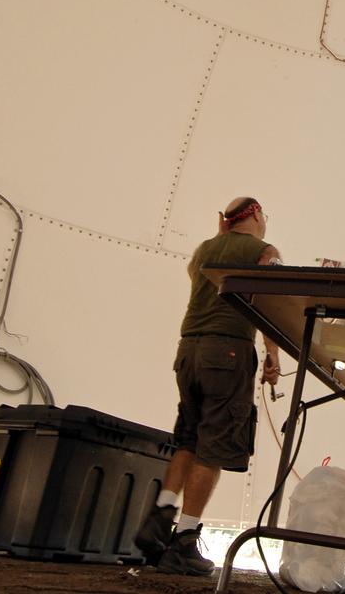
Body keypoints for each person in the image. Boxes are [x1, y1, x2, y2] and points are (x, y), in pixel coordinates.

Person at [134, 196, 282, 575]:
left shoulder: (204, 250)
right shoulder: (264, 251)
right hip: (228, 352)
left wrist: (220, 237)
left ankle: (161, 512)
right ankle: (184, 540)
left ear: (225, 221)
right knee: (213, 448)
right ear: (254, 216)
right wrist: (273, 354)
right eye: (263, 214)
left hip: (189, 351)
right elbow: (268, 302)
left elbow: (195, 277)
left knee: (188, 438)